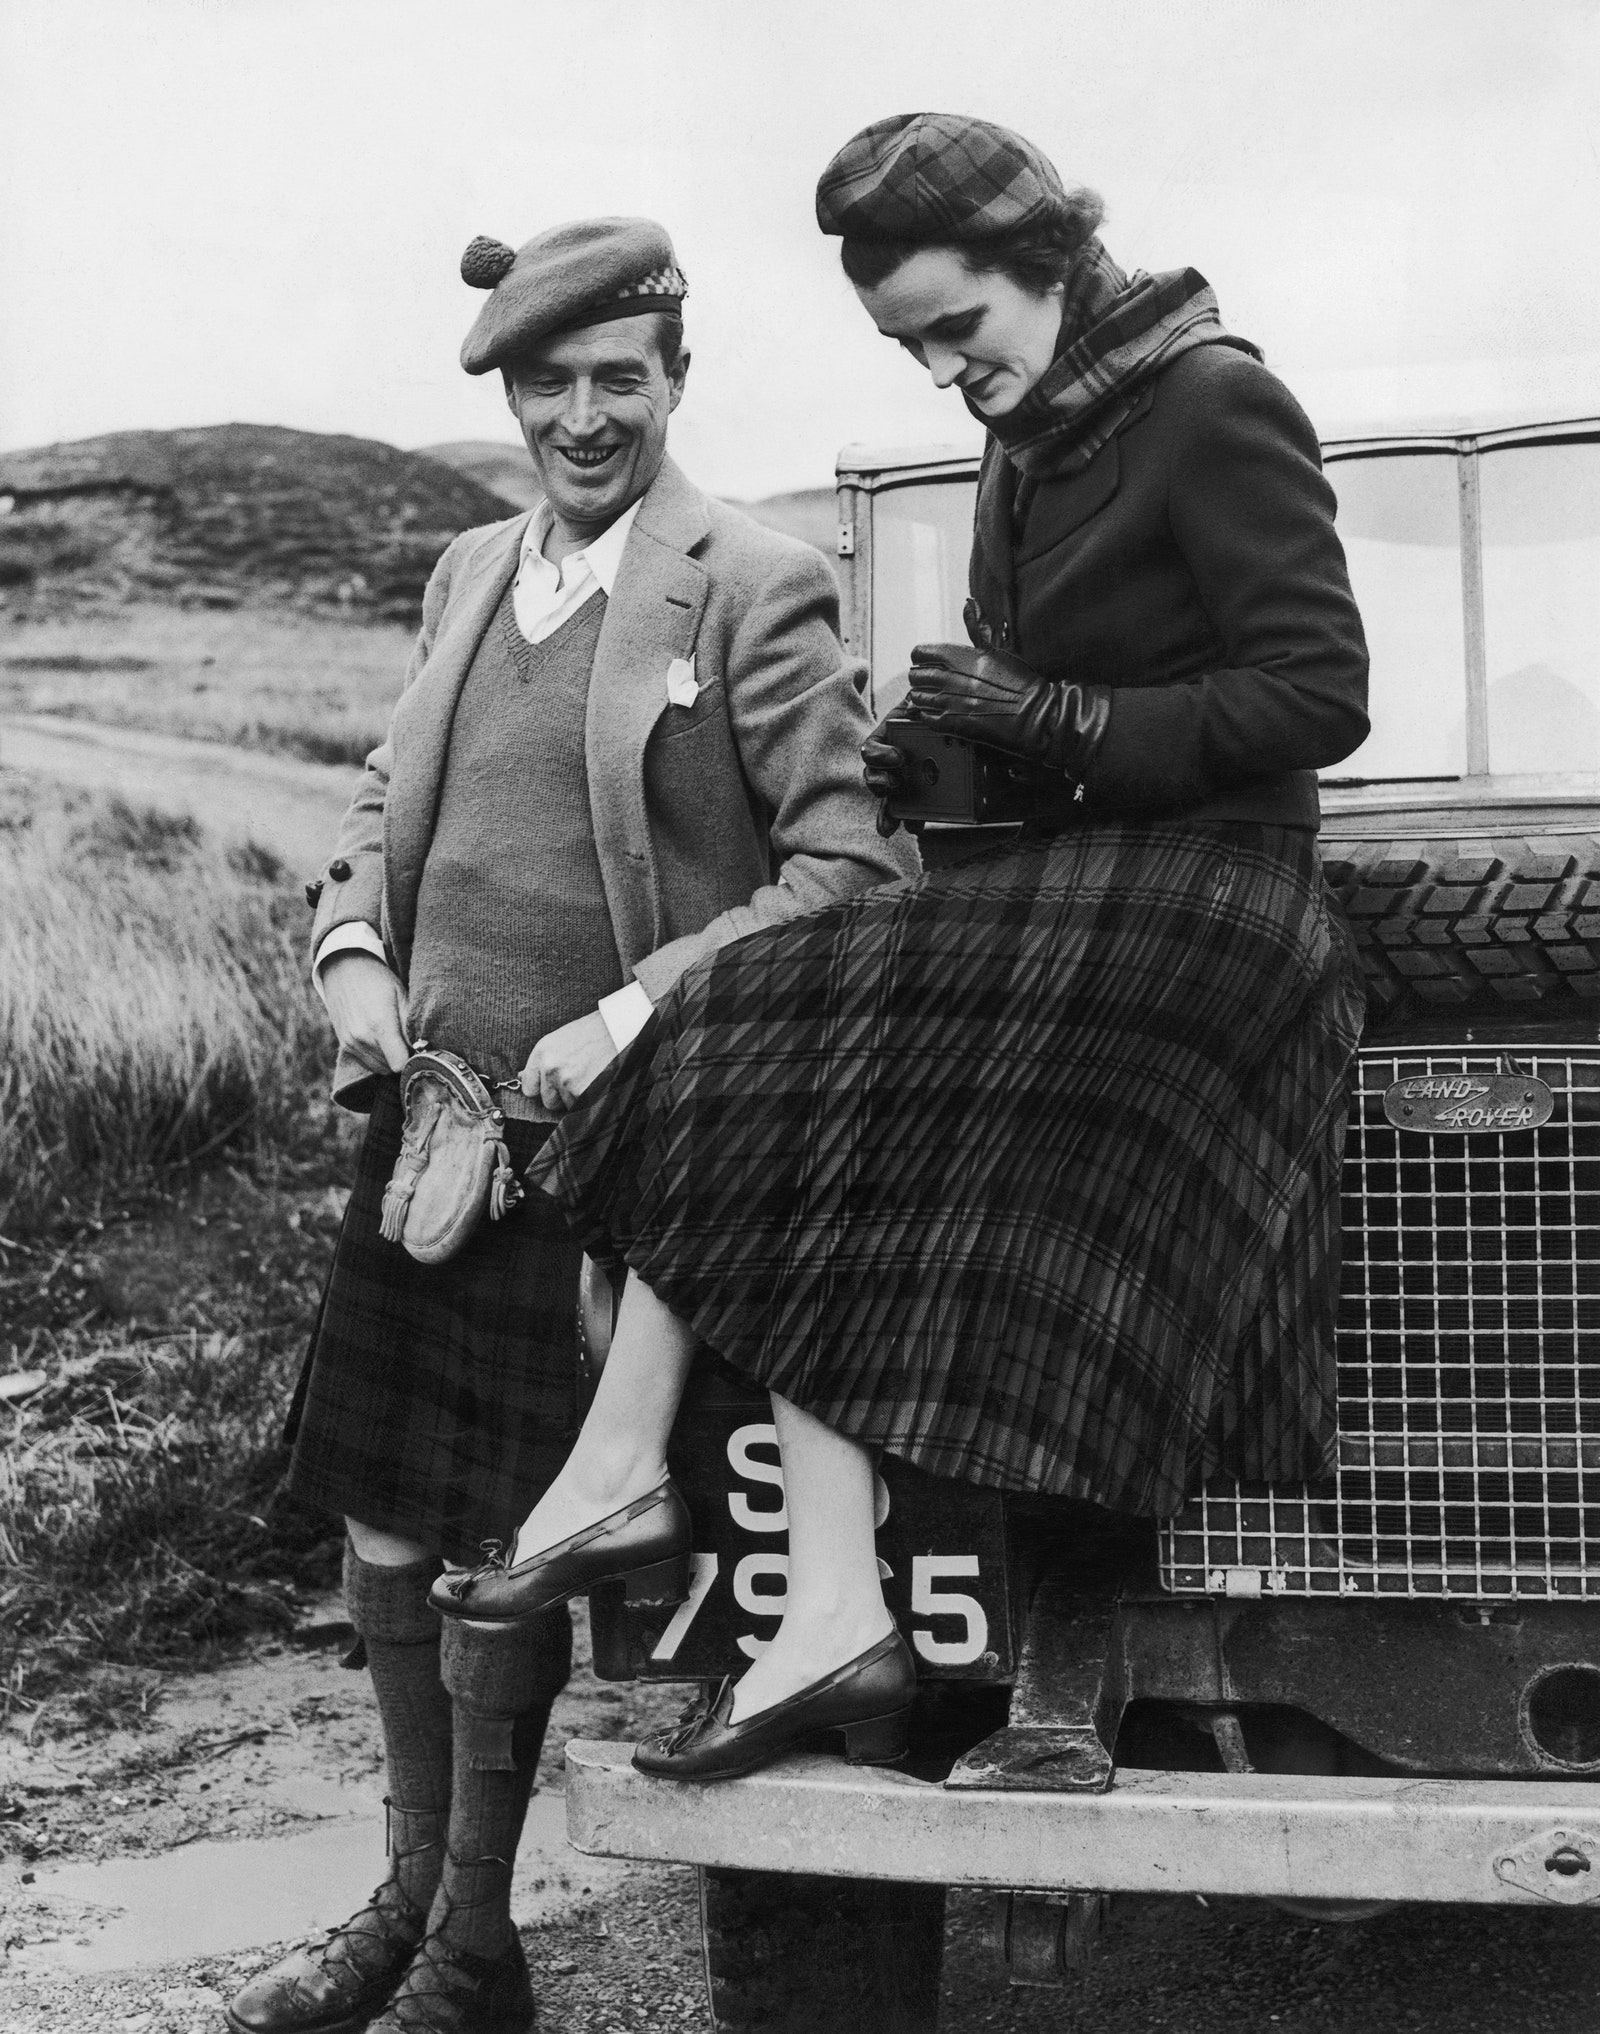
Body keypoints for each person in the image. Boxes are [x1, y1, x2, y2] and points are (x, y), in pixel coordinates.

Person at [432, 111, 1371, 1786]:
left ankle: (643, 1480)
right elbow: (1067, 730)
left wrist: (1057, 718)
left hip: (1220, 909)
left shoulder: (1213, 398)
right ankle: (790, 1589)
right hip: (1097, 889)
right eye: (910, 346)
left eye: (962, 329)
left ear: (1053, 265)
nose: (949, 372)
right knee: (744, 1016)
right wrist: (946, 755)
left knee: (758, 999)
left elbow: (1317, 693)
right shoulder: (1037, 433)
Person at [226, 218, 916, 2034]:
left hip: (607, 1158)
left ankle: (472, 1947)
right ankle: (405, 1909)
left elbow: (847, 866)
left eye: (623, 379)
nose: (586, 416)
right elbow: (385, 794)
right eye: (554, 383)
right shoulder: (467, 567)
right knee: (381, 1525)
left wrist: (626, 1015)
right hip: (431, 1137)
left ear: (677, 380)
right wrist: (355, 942)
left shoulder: (749, 577)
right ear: (514, 393)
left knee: (506, 1546)